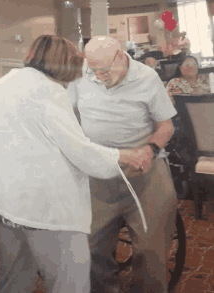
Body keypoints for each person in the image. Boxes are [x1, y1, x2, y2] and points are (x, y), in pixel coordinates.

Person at [0, 35, 146, 293]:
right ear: (64, 63)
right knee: (70, 282)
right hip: (46, 209)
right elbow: (80, 152)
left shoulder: (3, 83)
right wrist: (122, 157)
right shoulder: (49, 90)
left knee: (15, 278)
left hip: (5, 203)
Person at [67, 35, 178, 293]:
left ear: (120, 56)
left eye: (104, 70)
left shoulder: (147, 77)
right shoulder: (81, 75)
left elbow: (166, 126)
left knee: (152, 251)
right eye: (93, 70)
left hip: (145, 172)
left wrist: (150, 149)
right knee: (90, 246)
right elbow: (69, 114)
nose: (99, 76)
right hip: (98, 173)